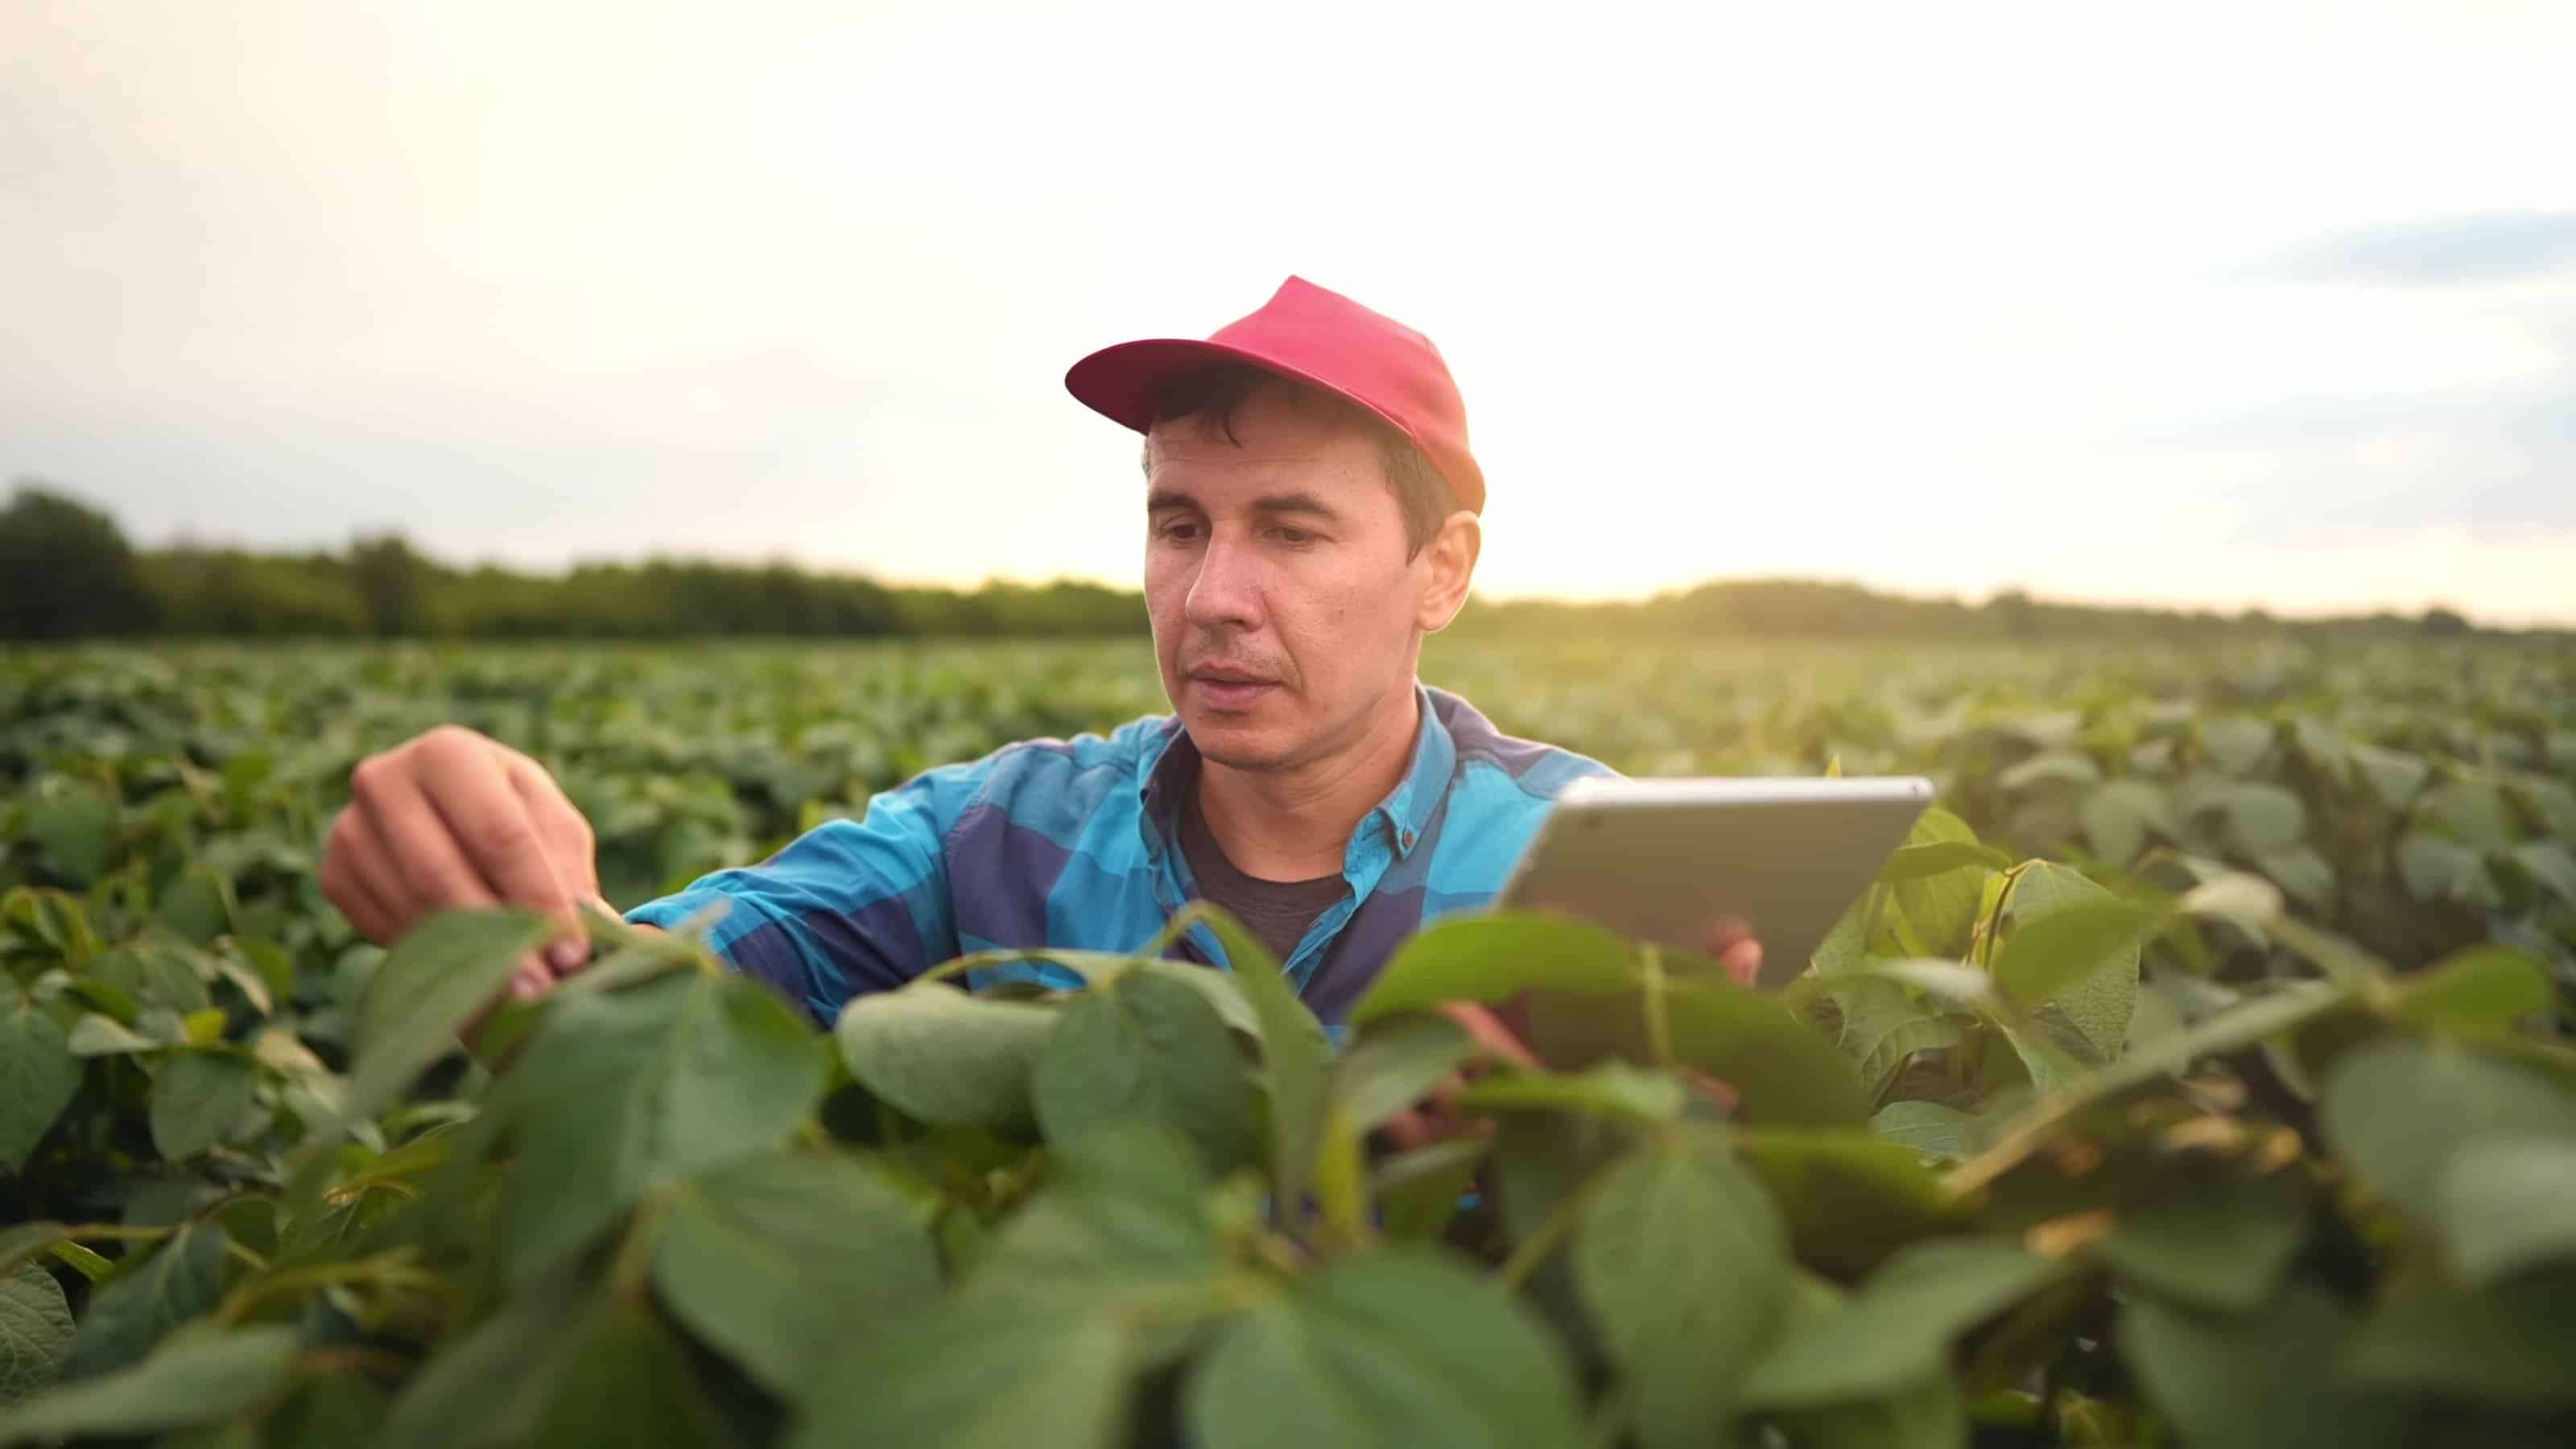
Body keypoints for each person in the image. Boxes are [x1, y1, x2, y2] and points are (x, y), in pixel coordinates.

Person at [318, 277, 1761, 1088]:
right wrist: (496, 924)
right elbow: (640, 1010)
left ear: (1439, 573)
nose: (1213, 597)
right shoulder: (993, 837)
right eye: (1179, 525)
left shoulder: (1590, 857)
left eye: (1292, 532)